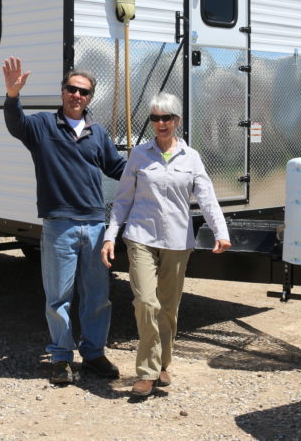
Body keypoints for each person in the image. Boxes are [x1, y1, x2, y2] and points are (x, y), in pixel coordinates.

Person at [3, 56, 126, 385]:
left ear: (90, 98)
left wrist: (150, 168)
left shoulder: (96, 133)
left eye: (83, 92)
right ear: (62, 92)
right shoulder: (42, 126)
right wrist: (13, 95)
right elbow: (16, 125)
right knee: (59, 296)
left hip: (95, 225)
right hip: (60, 226)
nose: (77, 95)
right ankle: (60, 357)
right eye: (72, 89)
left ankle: (94, 354)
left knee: (98, 296)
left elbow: (117, 168)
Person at [100, 92, 231, 398]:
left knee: (168, 308)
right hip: (141, 237)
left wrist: (220, 231)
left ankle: (162, 364)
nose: (161, 123)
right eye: (156, 118)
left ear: (177, 121)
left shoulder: (192, 157)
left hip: (176, 240)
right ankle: (146, 372)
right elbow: (123, 200)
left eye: (167, 118)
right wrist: (110, 235)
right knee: (146, 302)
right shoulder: (139, 155)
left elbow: (207, 198)